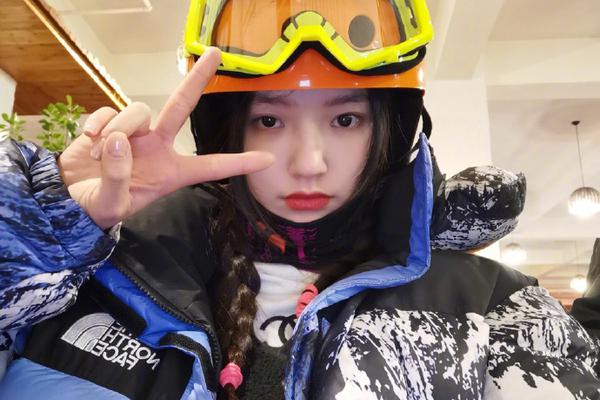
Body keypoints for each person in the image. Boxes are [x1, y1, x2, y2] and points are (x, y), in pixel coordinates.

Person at [0, 1, 598, 399]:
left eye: (345, 119)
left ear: (390, 132)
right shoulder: (97, 276)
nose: (309, 162)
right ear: (226, 131)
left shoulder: (490, 306)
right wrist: (42, 221)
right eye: (269, 120)